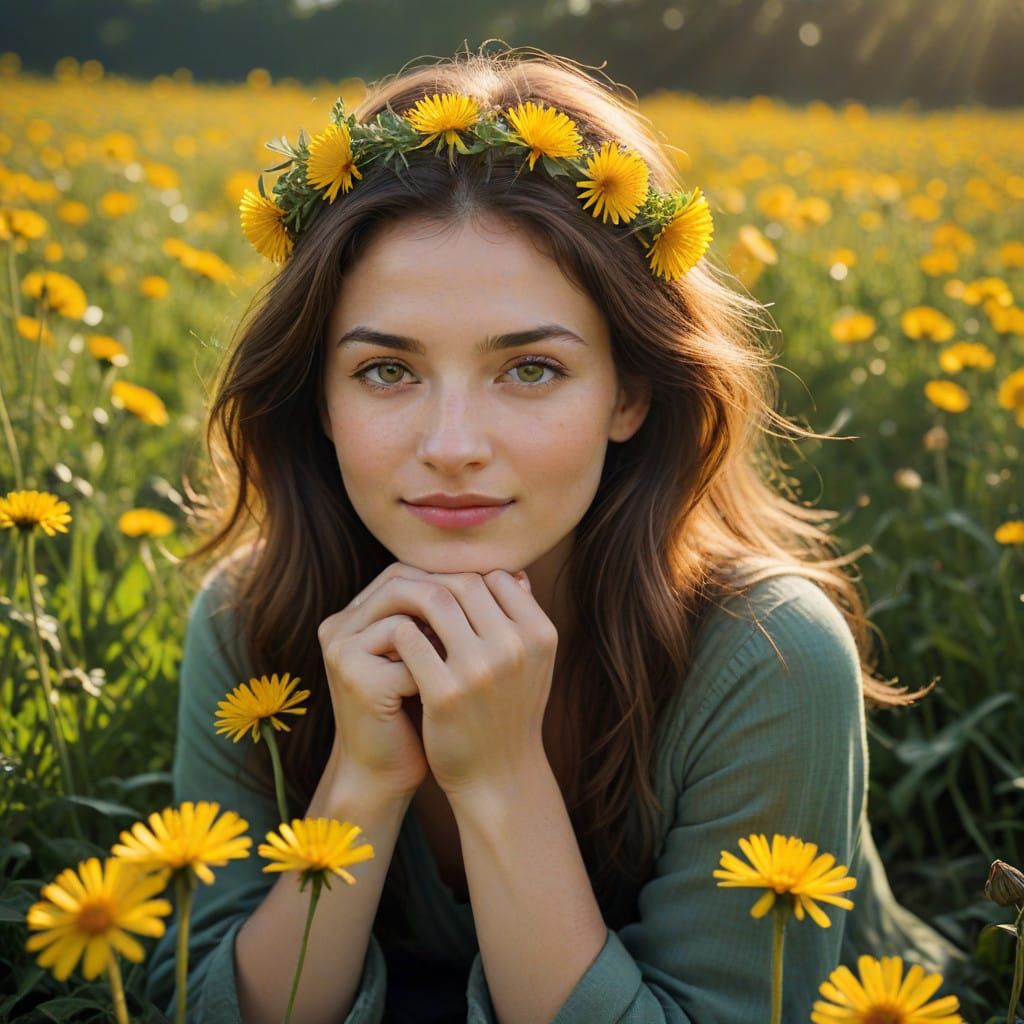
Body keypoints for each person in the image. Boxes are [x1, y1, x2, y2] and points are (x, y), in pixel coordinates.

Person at [147, 44, 970, 1024]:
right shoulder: (251, 618)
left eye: (529, 369)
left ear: (628, 391)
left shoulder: (768, 655)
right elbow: (205, 1006)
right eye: (385, 371)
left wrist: (500, 783)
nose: (452, 447)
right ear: (317, 398)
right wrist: (360, 783)